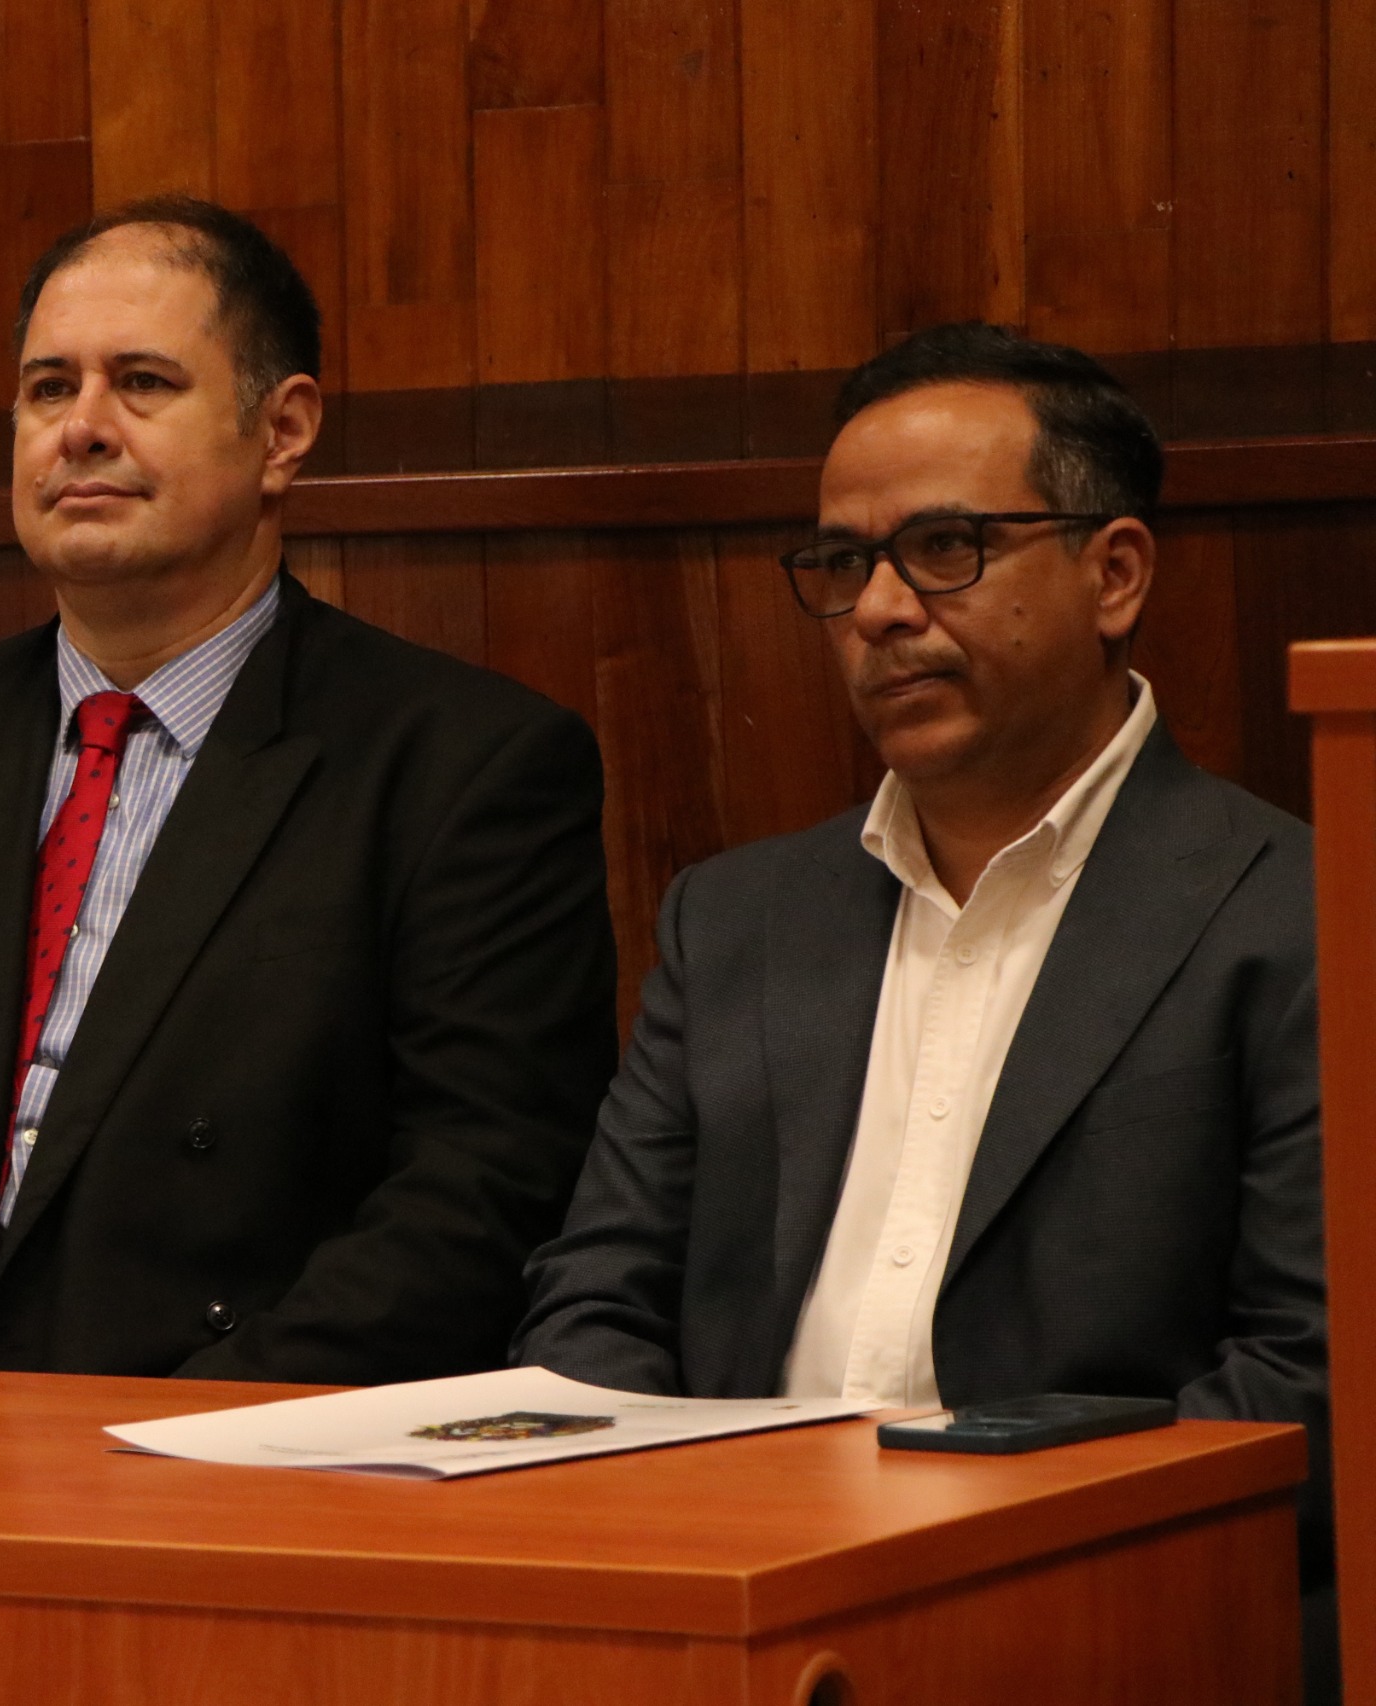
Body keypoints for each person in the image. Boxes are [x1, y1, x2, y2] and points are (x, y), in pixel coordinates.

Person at [0, 196, 617, 1383]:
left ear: (282, 430)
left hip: (233, 1441)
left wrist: (171, 1444)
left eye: (142, 382)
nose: (81, 429)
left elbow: (482, 1189)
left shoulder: (462, 764)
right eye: (48, 388)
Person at [514, 323, 1326, 1675]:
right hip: (730, 1613)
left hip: (1102, 1632)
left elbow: (1309, 1379)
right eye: (845, 564)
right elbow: (596, 1299)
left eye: (946, 548)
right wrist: (698, 1550)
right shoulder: (735, 920)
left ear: (1114, 571)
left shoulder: (1301, 913)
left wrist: (931, 1575)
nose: (882, 609)